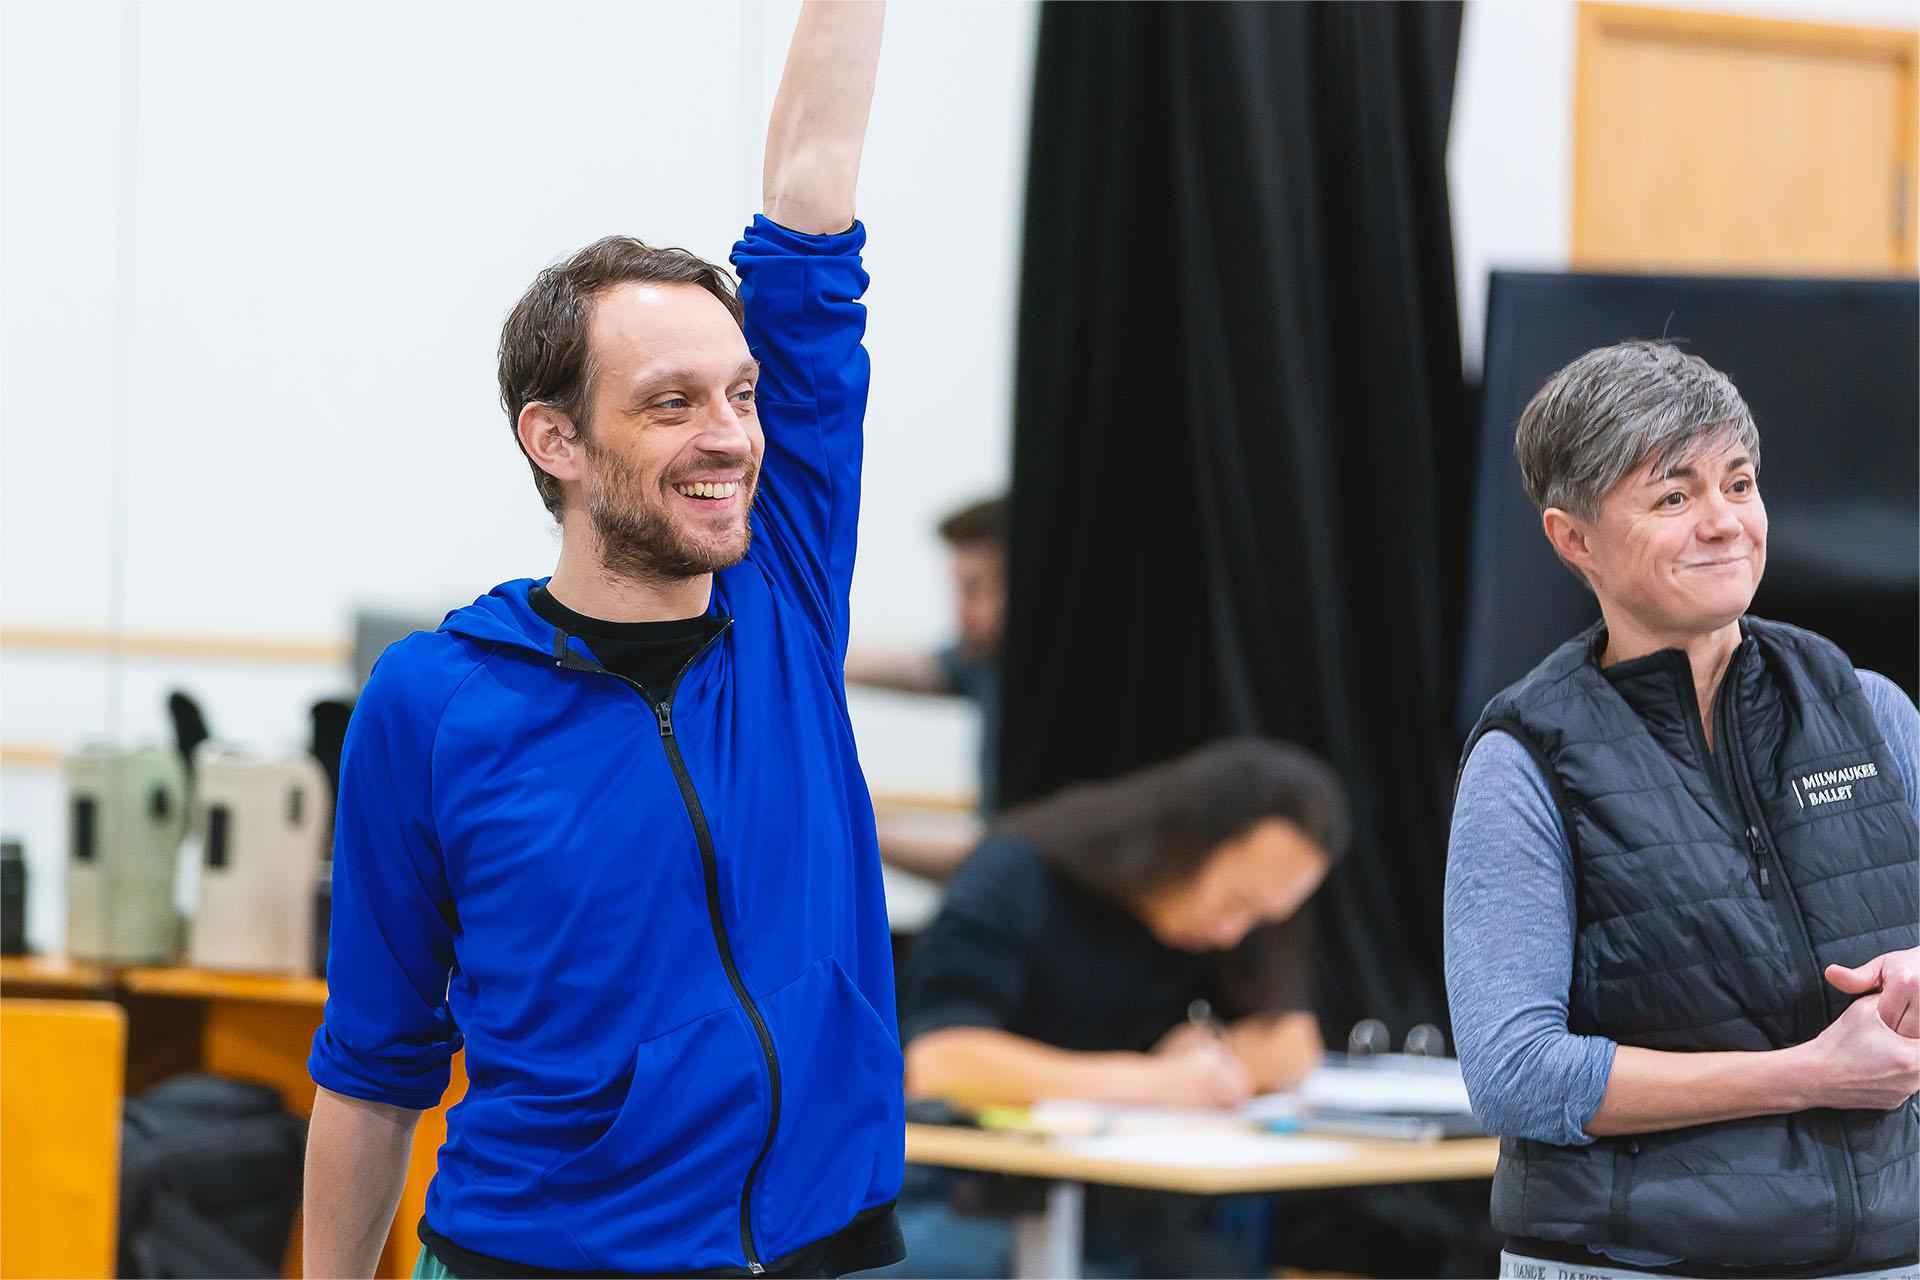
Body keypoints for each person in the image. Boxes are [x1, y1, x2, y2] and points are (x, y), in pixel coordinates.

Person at [302, 7, 903, 1277]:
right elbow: (373, 1063)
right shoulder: (432, 702)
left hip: (819, 1246)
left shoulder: (781, 594)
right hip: (543, 1255)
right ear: (555, 440)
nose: (732, 436)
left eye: (740, 393)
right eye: (671, 403)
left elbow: (811, 185)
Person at [1444, 341, 1920, 1278]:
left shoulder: (1872, 708)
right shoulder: (1523, 760)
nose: (1724, 524)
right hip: (1629, 1262)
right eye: (1673, 497)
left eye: (1738, 484)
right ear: (1572, 538)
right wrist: (1808, 1077)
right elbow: (1515, 1076)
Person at [887, 738, 1348, 1277]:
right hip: (965, 1196)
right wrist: (1156, 1079)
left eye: (1263, 918)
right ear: (1188, 839)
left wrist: (1211, 1055)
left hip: (1118, 1211)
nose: (1233, 932)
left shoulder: (1217, 925)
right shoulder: (1017, 877)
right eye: (1236, 901)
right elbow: (940, 1063)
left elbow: (1293, 1046)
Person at [846, 495, 1007, 866]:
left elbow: (997, 865)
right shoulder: (984, 664)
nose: (961, 613)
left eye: (974, 589)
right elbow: (880, 665)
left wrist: (848, 821)